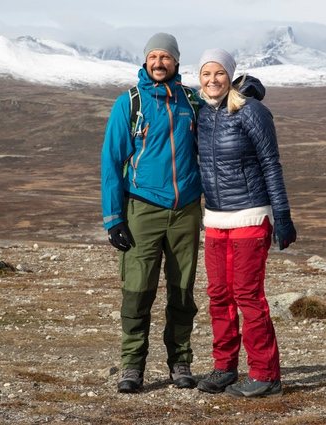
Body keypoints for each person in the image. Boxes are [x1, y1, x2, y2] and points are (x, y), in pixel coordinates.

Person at [100, 33, 202, 394]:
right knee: (138, 290)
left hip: (186, 209)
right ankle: (132, 366)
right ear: (146, 61)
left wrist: (245, 98)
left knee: (182, 291)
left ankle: (181, 361)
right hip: (142, 208)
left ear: (176, 61)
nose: (159, 63)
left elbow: (221, 126)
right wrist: (114, 218)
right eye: (154, 56)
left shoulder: (191, 101)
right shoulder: (130, 102)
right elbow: (112, 162)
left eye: (166, 57)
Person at [194, 48, 297, 397]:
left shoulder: (251, 111)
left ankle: (266, 375)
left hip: (251, 216)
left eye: (219, 73)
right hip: (216, 219)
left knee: (247, 296)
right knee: (219, 295)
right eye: (206, 74)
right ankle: (224, 368)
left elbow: (271, 164)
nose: (212, 80)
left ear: (230, 75)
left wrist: (281, 216)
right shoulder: (202, 114)